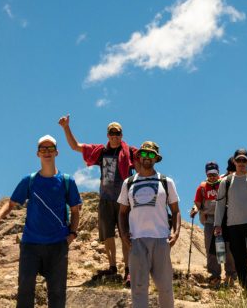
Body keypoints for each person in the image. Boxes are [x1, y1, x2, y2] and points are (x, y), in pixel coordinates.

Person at [0, 135, 82, 308]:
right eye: (43, 149)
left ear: (57, 152)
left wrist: (72, 235)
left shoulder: (67, 181)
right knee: (25, 291)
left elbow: (76, 211)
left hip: (58, 246)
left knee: (57, 293)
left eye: (50, 149)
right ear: (38, 153)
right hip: (31, 244)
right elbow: (11, 203)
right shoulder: (29, 181)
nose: (47, 152)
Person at [58, 115, 137, 283]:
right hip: (106, 199)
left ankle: (129, 270)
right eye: (112, 133)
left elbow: (145, 159)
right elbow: (76, 147)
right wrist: (66, 127)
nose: (115, 136)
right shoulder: (101, 151)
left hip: (124, 201)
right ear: (108, 135)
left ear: (121, 135)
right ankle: (112, 268)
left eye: (118, 133)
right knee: (107, 235)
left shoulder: (130, 152)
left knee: (125, 235)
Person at [117, 141, 181, 308]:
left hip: (161, 240)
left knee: (165, 288)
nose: (147, 157)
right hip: (137, 241)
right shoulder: (128, 183)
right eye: (144, 154)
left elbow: (175, 210)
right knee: (138, 288)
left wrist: (176, 232)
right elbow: (122, 212)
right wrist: (124, 234)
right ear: (139, 157)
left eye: (151, 154)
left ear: (156, 158)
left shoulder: (166, 182)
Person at [214, 149, 247, 293]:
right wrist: (218, 224)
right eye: (239, 160)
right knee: (239, 259)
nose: (241, 163)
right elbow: (220, 204)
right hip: (233, 225)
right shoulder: (226, 181)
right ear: (234, 162)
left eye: (244, 160)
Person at [190, 162, 237, 287]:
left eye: (214, 174)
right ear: (206, 174)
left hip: (225, 219)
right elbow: (197, 203)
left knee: (228, 247)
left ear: (218, 173)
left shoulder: (223, 183)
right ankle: (215, 275)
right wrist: (194, 209)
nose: (212, 177)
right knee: (211, 248)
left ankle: (231, 274)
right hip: (210, 220)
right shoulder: (202, 187)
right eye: (210, 174)